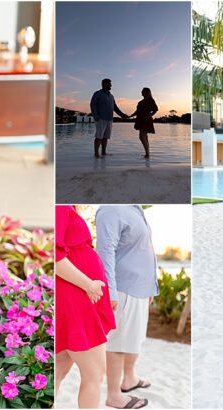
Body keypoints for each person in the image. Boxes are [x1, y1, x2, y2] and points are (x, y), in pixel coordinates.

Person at [54, 205, 116, 409]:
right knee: (94, 373)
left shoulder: (67, 206)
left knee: (60, 367)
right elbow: (56, 257)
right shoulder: (60, 206)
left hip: (78, 296)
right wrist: (88, 284)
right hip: (77, 298)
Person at [96, 205, 157, 409]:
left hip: (140, 288)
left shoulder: (134, 207)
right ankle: (113, 395)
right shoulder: (111, 209)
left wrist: (151, 287)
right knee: (118, 343)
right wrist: (110, 292)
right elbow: (105, 252)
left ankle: (129, 379)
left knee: (134, 338)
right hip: (123, 288)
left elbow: (141, 251)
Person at [90, 78, 129, 158]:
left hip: (109, 119)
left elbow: (115, 107)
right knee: (99, 136)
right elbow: (92, 104)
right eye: (109, 83)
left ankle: (103, 152)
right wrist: (95, 115)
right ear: (104, 84)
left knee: (106, 137)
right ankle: (96, 154)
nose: (111, 85)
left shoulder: (111, 96)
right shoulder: (97, 93)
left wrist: (122, 115)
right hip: (100, 118)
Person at [128, 88, 158, 159]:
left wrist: (148, 116)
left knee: (141, 137)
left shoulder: (150, 100)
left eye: (143, 91)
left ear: (146, 92)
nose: (141, 92)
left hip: (146, 120)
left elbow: (155, 110)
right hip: (140, 120)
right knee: (145, 137)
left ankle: (147, 154)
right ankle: (147, 153)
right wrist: (130, 116)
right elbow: (137, 112)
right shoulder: (140, 102)